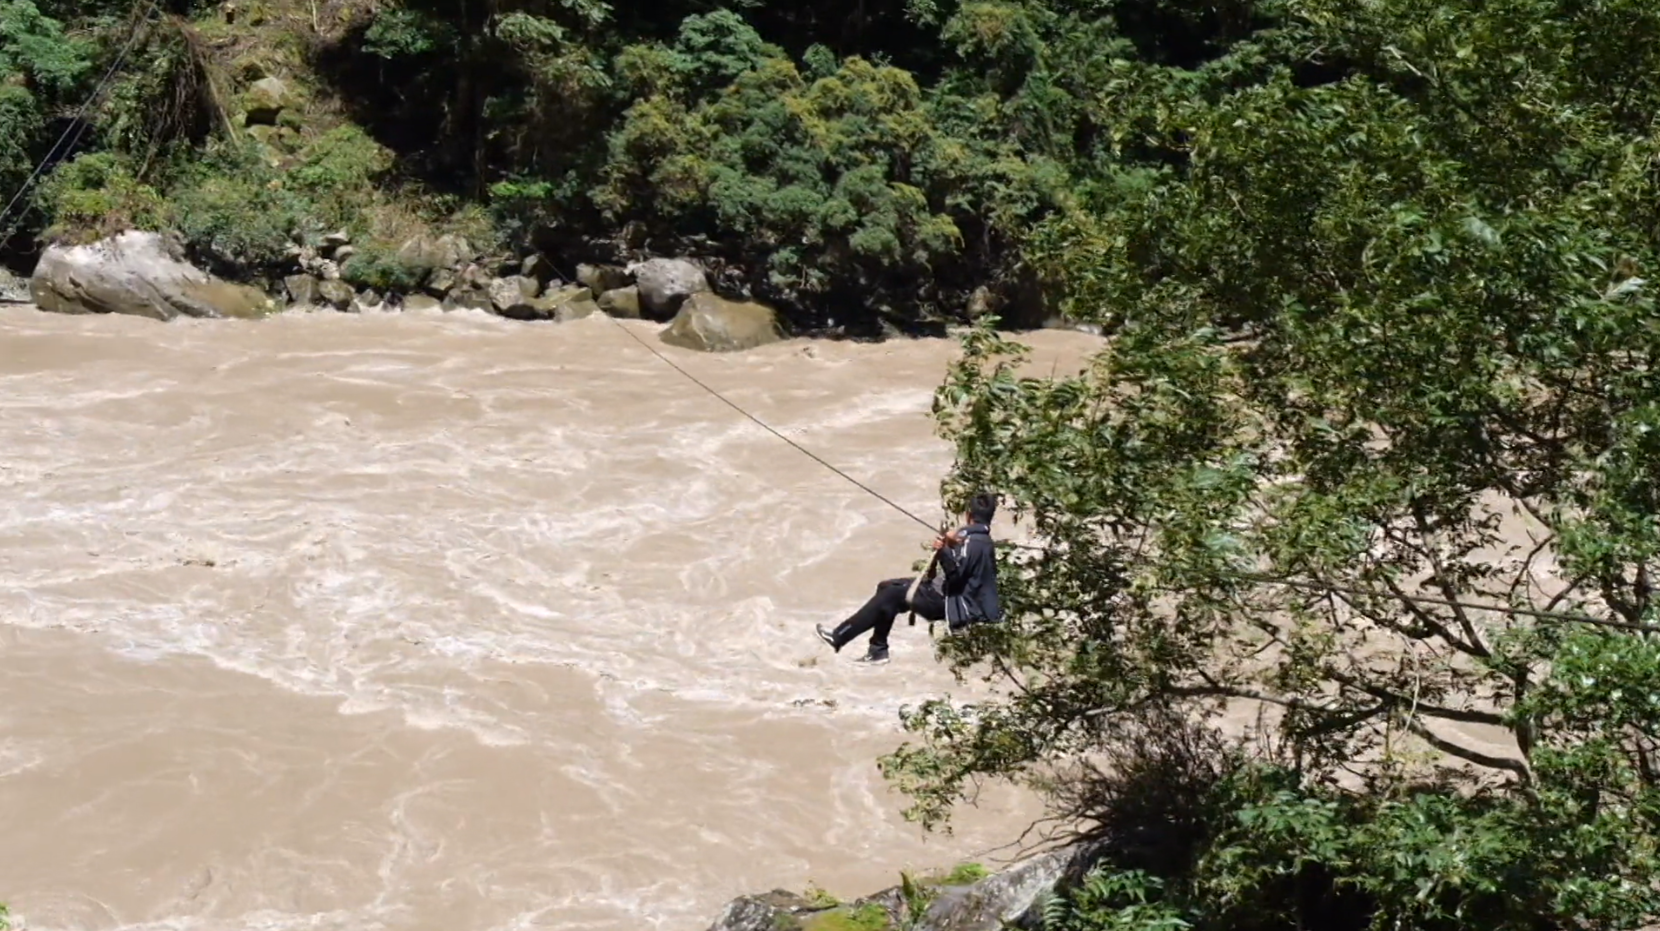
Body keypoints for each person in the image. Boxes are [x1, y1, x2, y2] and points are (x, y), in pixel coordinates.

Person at [815, 492, 1003, 665]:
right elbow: (965, 556)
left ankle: (839, 637)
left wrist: (943, 550)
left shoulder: (971, 541)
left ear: (968, 515)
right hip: (945, 594)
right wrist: (950, 543)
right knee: (886, 587)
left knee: (891, 593)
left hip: (947, 603)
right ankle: (878, 650)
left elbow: (955, 576)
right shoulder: (983, 540)